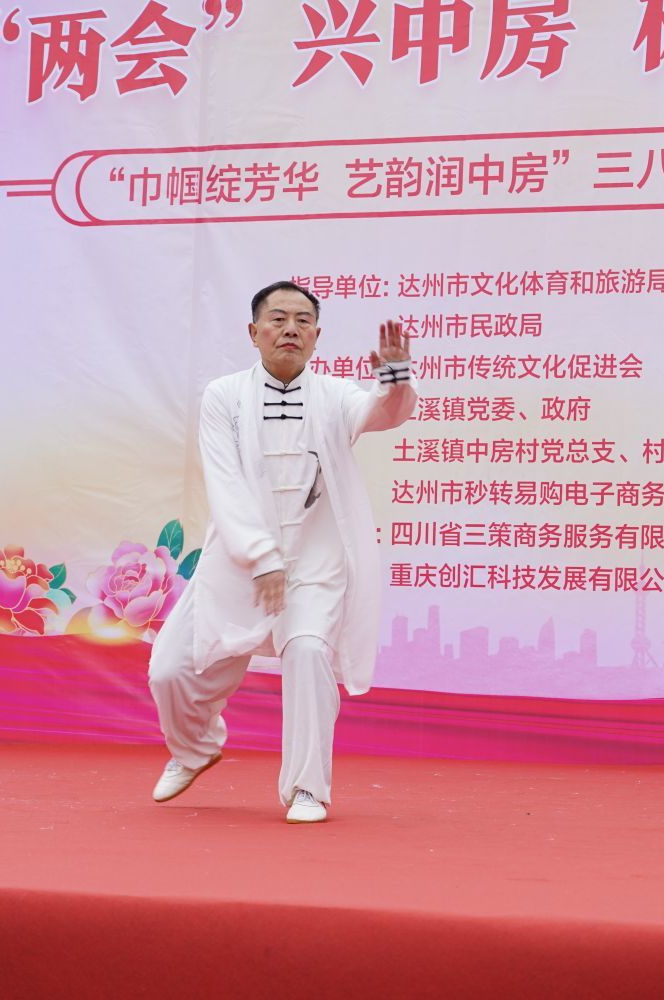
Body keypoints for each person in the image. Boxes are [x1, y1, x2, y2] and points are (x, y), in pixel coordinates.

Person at [147, 281, 416, 823]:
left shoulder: (336, 396)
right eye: (277, 319)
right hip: (239, 560)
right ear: (254, 332)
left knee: (310, 653)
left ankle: (307, 788)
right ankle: (194, 748)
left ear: (317, 335)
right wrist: (261, 557)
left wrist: (394, 377)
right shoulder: (224, 395)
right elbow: (225, 484)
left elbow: (383, 412)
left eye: (302, 320)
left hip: (315, 563)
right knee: (169, 670)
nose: (290, 329)